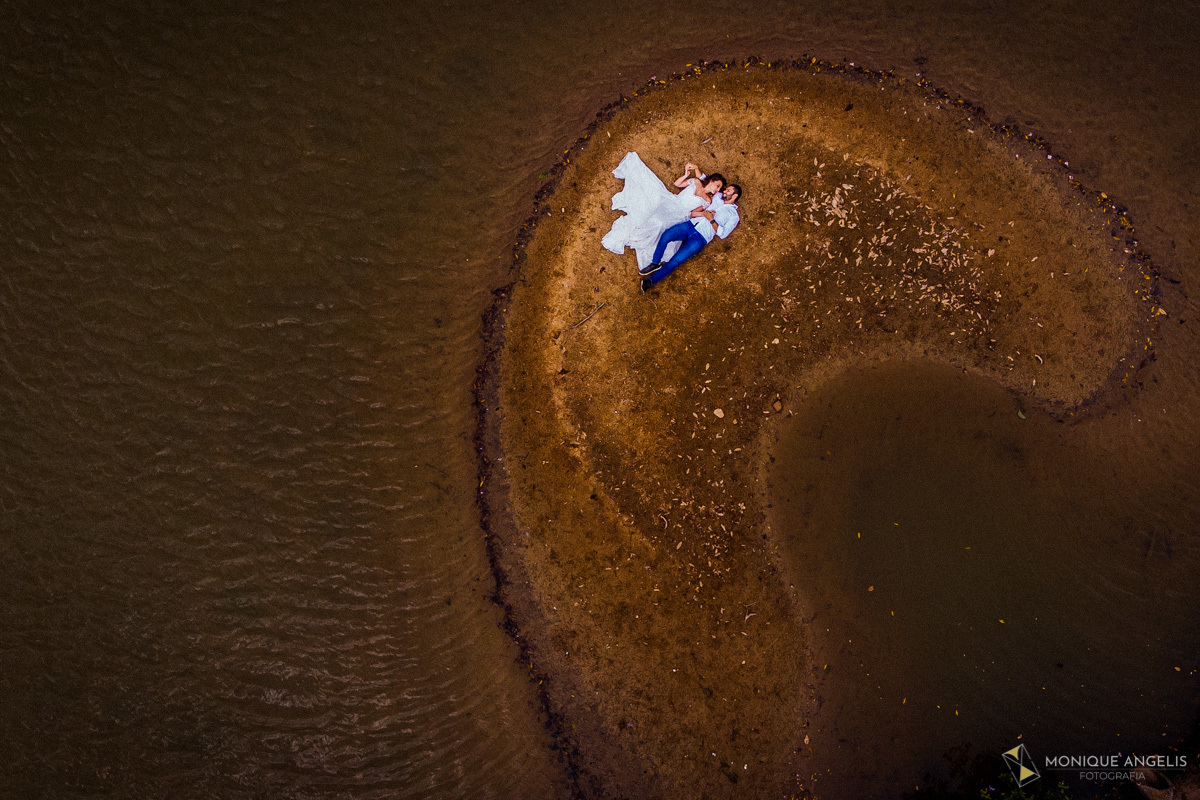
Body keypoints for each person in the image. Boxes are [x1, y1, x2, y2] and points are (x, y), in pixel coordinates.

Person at [601, 152, 725, 273]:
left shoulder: (707, 201)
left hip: (681, 213)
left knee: (661, 224)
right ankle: (641, 224)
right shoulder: (696, 181)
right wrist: (686, 174)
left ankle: (645, 240)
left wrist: (703, 214)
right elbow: (677, 184)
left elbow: (692, 213)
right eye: (718, 185)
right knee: (654, 201)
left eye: (719, 188)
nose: (717, 190)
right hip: (673, 201)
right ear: (712, 180)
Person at [640, 183, 741, 291]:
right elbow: (706, 185)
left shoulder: (733, 216)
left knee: (675, 261)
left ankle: (650, 281)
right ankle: (655, 263)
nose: (724, 191)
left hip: (701, 238)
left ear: (735, 196)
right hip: (690, 224)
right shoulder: (717, 197)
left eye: (728, 191)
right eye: (725, 189)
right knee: (666, 235)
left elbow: (723, 234)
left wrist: (711, 219)